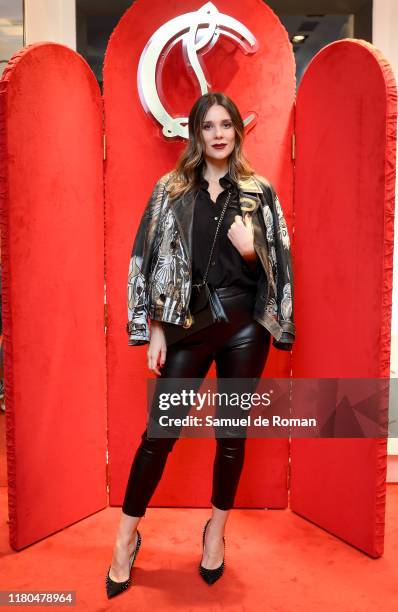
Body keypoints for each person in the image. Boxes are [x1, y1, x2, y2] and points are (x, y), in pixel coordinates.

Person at [105, 92, 295, 598]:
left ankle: (215, 531)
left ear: (237, 130)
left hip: (244, 328)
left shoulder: (259, 191)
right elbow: (145, 259)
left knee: (231, 437)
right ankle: (125, 538)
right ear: (195, 132)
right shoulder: (170, 189)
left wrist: (253, 251)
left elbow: (282, 260)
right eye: (208, 125)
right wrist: (157, 329)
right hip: (188, 325)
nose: (217, 133)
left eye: (226, 124)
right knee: (159, 435)